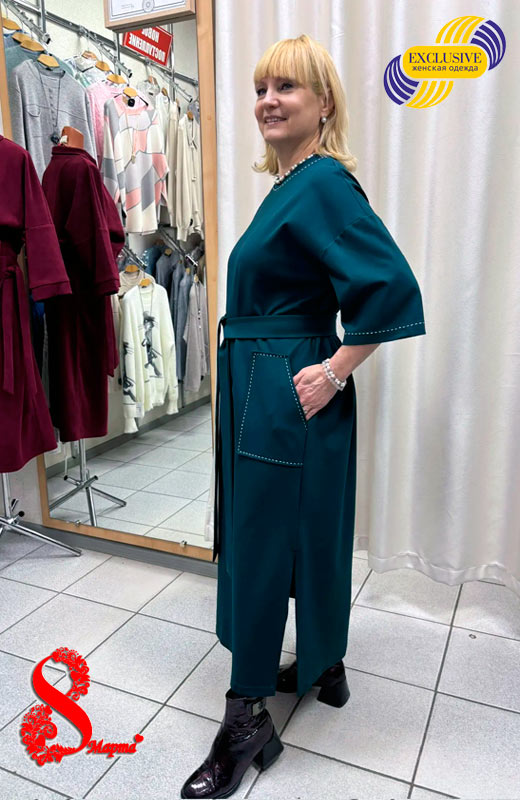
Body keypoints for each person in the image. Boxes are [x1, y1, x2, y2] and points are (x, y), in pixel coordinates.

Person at [180, 33, 426, 799]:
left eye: (286, 87)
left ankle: (246, 715)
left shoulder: (322, 184)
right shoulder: (291, 184)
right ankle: (325, 662)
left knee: (260, 545)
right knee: (310, 528)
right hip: (270, 376)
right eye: (261, 88)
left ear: (324, 104)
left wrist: (334, 370)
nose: (267, 101)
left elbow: (389, 285)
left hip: (283, 381)